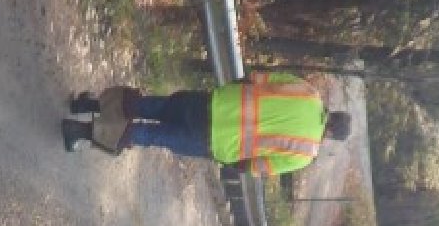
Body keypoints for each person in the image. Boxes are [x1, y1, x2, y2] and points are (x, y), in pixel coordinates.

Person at [62, 74, 351, 174]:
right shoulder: (305, 154)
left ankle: (87, 105)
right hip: (213, 142)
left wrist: (226, 92)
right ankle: (80, 131)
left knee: (151, 105)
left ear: (333, 114)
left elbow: (256, 79)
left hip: (213, 102)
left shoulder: (308, 93)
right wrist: (231, 162)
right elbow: (255, 167)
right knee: (151, 134)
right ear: (331, 135)